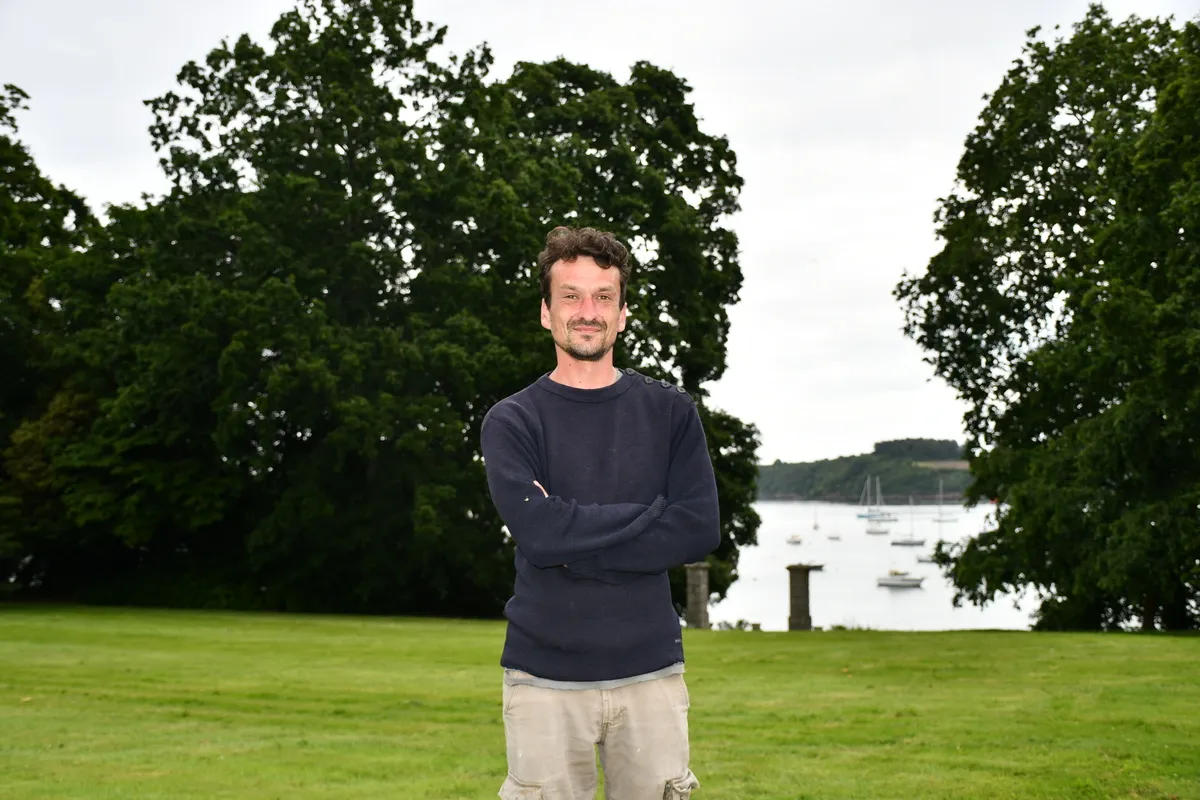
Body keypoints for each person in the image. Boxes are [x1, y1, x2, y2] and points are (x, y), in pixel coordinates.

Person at [480, 225, 721, 799]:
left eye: (603, 297)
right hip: (543, 679)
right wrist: (648, 514)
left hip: (651, 674)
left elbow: (698, 527)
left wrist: (574, 538)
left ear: (623, 313)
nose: (587, 311)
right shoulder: (512, 420)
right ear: (546, 312)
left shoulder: (670, 412)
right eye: (571, 296)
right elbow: (540, 535)